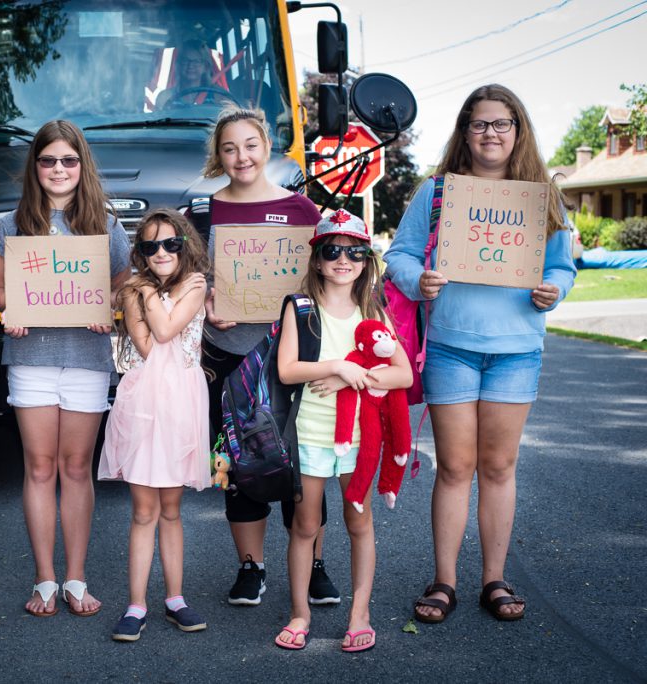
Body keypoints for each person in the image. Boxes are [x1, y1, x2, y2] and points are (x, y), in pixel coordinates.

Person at [384, 84, 577, 624]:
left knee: (498, 466)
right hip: (451, 347)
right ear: (465, 133)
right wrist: (417, 279)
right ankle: (444, 580)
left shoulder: (541, 196)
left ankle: (494, 578)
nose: (491, 133)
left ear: (518, 132)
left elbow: (562, 267)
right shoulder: (439, 192)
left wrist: (554, 290)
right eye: (480, 124)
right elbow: (398, 254)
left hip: (517, 350)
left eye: (502, 124)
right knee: (455, 466)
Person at [196, 107, 340, 608]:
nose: (242, 157)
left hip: (294, 354)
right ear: (219, 155)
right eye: (230, 148)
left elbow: (328, 274)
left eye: (251, 145)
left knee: (304, 463)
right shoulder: (205, 209)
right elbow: (195, 277)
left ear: (267, 147)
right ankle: (250, 568)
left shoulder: (302, 210)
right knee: (240, 459)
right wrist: (209, 301)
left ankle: (315, 563)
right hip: (232, 354)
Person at [0, 120, 130, 618]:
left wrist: (107, 308)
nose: (58, 169)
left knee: (75, 468)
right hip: (30, 359)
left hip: (88, 359)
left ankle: (76, 577)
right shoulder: (9, 225)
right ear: (36, 167)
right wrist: (16, 310)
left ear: (81, 166)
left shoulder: (106, 225)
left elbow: (120, 288)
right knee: (39, 466)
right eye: (48, 160)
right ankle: (44, 578)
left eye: (68, 160)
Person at [272, 210, 412, 651]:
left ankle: (360, 614)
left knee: (359, 522)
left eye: (355, 251)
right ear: (316, 259)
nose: (343, 259)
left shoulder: (373, 309)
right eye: (332, 250)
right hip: (311, 435)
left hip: (359, 439)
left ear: (367, 261)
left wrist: (349, 377)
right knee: (305, 525)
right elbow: (288, 369)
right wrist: (337, 365)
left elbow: (403, 375)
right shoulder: (301, 307)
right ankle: (300, 613)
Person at [98, 209, 212, 642]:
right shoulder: (134, 291)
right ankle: (136, 604)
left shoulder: (197, 285)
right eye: (149, 247)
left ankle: (176, 599)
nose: (160, 252)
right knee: (143, 511)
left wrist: (145, 296)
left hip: (182, 403)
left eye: (170, 243)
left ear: (185, 245)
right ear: (141, 253)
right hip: (144, 402)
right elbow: (145, 347)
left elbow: (164, 332)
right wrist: (140, 295)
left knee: (171, 510)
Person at [156, 40, 232, 110]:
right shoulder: (165, 98)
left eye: (196, 61)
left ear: (205, 66)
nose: (190, 65)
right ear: (179, 65)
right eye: (186, 60)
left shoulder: (219, 97)